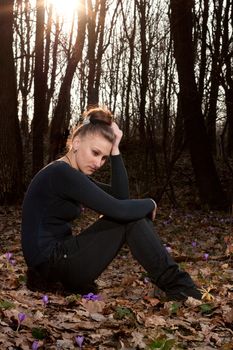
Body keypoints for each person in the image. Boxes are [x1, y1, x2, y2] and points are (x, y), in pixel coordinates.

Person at [21, 107, 202, 301]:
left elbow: (120, 197)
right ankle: (181, 288)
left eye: (104, 157)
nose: (99, 163)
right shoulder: (61, 173)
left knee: (129, 215)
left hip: (57, 262)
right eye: (95, 152)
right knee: (130, 217)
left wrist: (115, 149)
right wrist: (150, 203)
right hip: (52, 265)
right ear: (76, 142)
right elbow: (119, 209)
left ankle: (180, 287)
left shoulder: (69, 173)